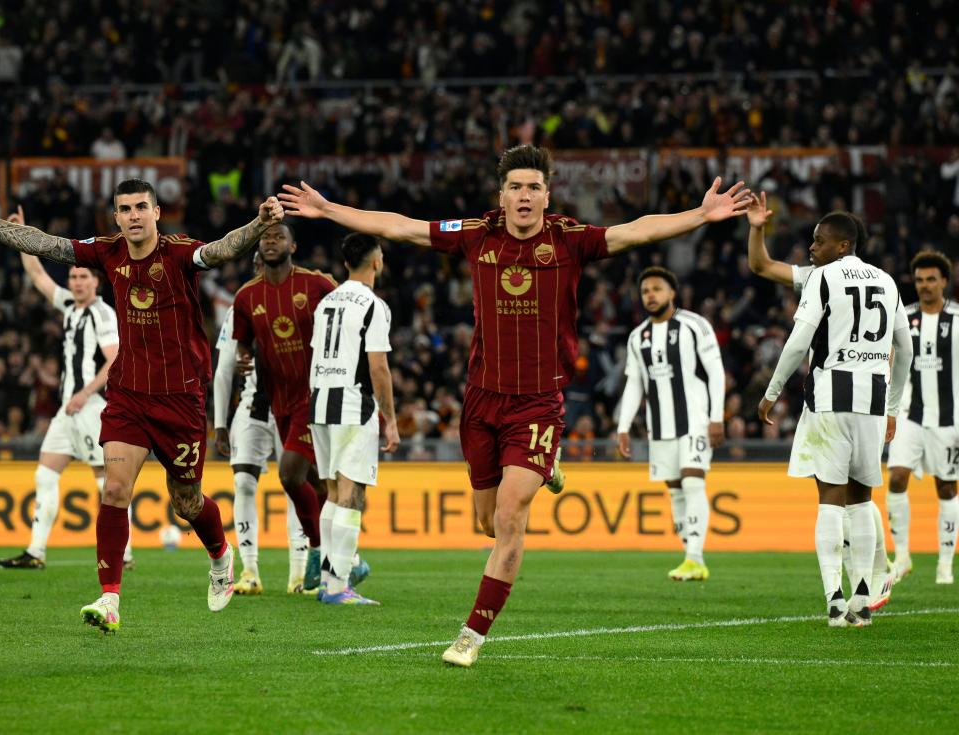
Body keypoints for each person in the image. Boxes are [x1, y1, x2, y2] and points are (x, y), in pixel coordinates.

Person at [279, 144, 751, 666]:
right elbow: (401, 227)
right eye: (515, 187)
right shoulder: (478, 234)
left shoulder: (568, 239)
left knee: (509, 517)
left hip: (538, 405)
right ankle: (547, 467)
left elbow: (637, 230)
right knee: (486, 522)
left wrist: (699, 215)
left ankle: (471, 635)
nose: (524, 196)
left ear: (548, 195)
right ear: (500, 195)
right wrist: (328, 209)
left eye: (534, 187)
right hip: (482, 402)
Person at [0, 179, 284, 633]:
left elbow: (222, 250)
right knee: (114, 491)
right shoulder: (108, 252)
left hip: (181, 398)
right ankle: (109, 600)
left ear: (157, 212)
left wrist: (258, 224)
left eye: (141, 207)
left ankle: (220, 554)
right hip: (128, 394)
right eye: (124, 209)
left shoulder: (178, 253)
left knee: (186, 502)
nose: (133, 216)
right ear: (116, 216)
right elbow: (45, 243)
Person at [757, 209, 912, 627]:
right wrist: (893, 407)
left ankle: (834, 599)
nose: (811, 248)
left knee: (830, 499)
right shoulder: (887, 280)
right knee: (861, 500)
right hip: (872, 402)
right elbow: (906, 350)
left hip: (830, 397)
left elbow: (797, 343)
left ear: (843, 245)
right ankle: (862, 598)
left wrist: (771, 393)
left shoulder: (823, 278)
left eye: (819, 240)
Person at [0, 206, 129, 571]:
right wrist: (21, 236)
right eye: (73, 276)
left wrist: (85, 394)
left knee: (104, 480)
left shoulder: (102, 313)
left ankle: (125, 552)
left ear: (95, 282)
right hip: (67, 409)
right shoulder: (70, 306)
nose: (77, 282)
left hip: (90, 406)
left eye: (83, 276)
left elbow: (115, 359)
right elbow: (38, 275)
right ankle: (36, 552)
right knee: (45, 474)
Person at [231, 223, 338, 593]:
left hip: (315, 395)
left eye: (279, 237)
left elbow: (348, 317)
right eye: (266, 238)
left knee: (290, 474)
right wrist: (244, 359)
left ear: (293, 245)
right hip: (279, 401)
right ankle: (343, 551)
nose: (271, 242)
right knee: (315, 482)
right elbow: (243, 344)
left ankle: (319, 550)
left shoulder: (316, 284)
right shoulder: (247, 296)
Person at [617, 266, 725, 581]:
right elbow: (634, 383)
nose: (650, 295)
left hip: (695, 420)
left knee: (692, 482)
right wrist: (623, 426)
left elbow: (716, 371)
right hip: (660, 426)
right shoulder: (638, 337)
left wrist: (716, 417)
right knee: (675, 490)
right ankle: (690, 558)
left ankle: (695, 558)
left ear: (672, 293)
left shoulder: (694, 325)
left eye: (657, 289)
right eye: (645, 291)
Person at [214, 253, 312, 595]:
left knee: (295, 484)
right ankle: (250, 571)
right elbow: (224, 369)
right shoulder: (241, 309)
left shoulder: (300, 304)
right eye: (257, 266)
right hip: (253, 407)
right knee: (243, 483)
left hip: (295, 408)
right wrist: (220, 424)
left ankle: (299, 574)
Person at [309, 233, 399, 605]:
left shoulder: (326, 302)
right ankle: (337, 586)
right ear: (376, 261)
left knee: (333, 494)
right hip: (352, 403)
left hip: (319, 401)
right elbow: (378, 367)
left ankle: (328, 581)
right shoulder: (374, 305)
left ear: (346, 263)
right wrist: (390, 418)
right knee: (351, 494)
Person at [884, 251, 959, 585]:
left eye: (931, 279)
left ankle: (945, 564)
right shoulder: (903, 318)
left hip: (949, 418)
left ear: (944, 281)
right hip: (910, 415)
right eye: (919, 280)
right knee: (897, 477)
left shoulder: (957, 318)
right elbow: (890, 360)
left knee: (946, 487)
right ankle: (902, 557)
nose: (925, 285)